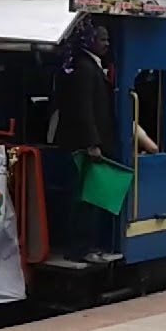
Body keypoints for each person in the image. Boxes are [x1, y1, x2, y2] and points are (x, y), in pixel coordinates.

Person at [49, 20, 120, 263]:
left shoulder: (88, 66)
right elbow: (83, 108)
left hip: (90, 144)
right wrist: (92, 143)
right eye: (102, 39)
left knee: (91, 198)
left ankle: (88, 246)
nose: (106, 44)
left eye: (107, 39)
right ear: (89, 41)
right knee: (85, 199)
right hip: (86, 147)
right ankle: (80, 248)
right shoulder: (85, 69)